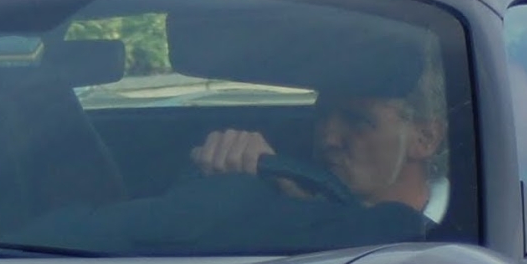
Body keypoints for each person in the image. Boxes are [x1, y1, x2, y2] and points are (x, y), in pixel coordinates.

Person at [189, 69, 448, 218]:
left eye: (357, 121)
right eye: (321, 117)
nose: (328, 138)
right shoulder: (294, 210)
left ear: (425, 138)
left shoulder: (461, 233)